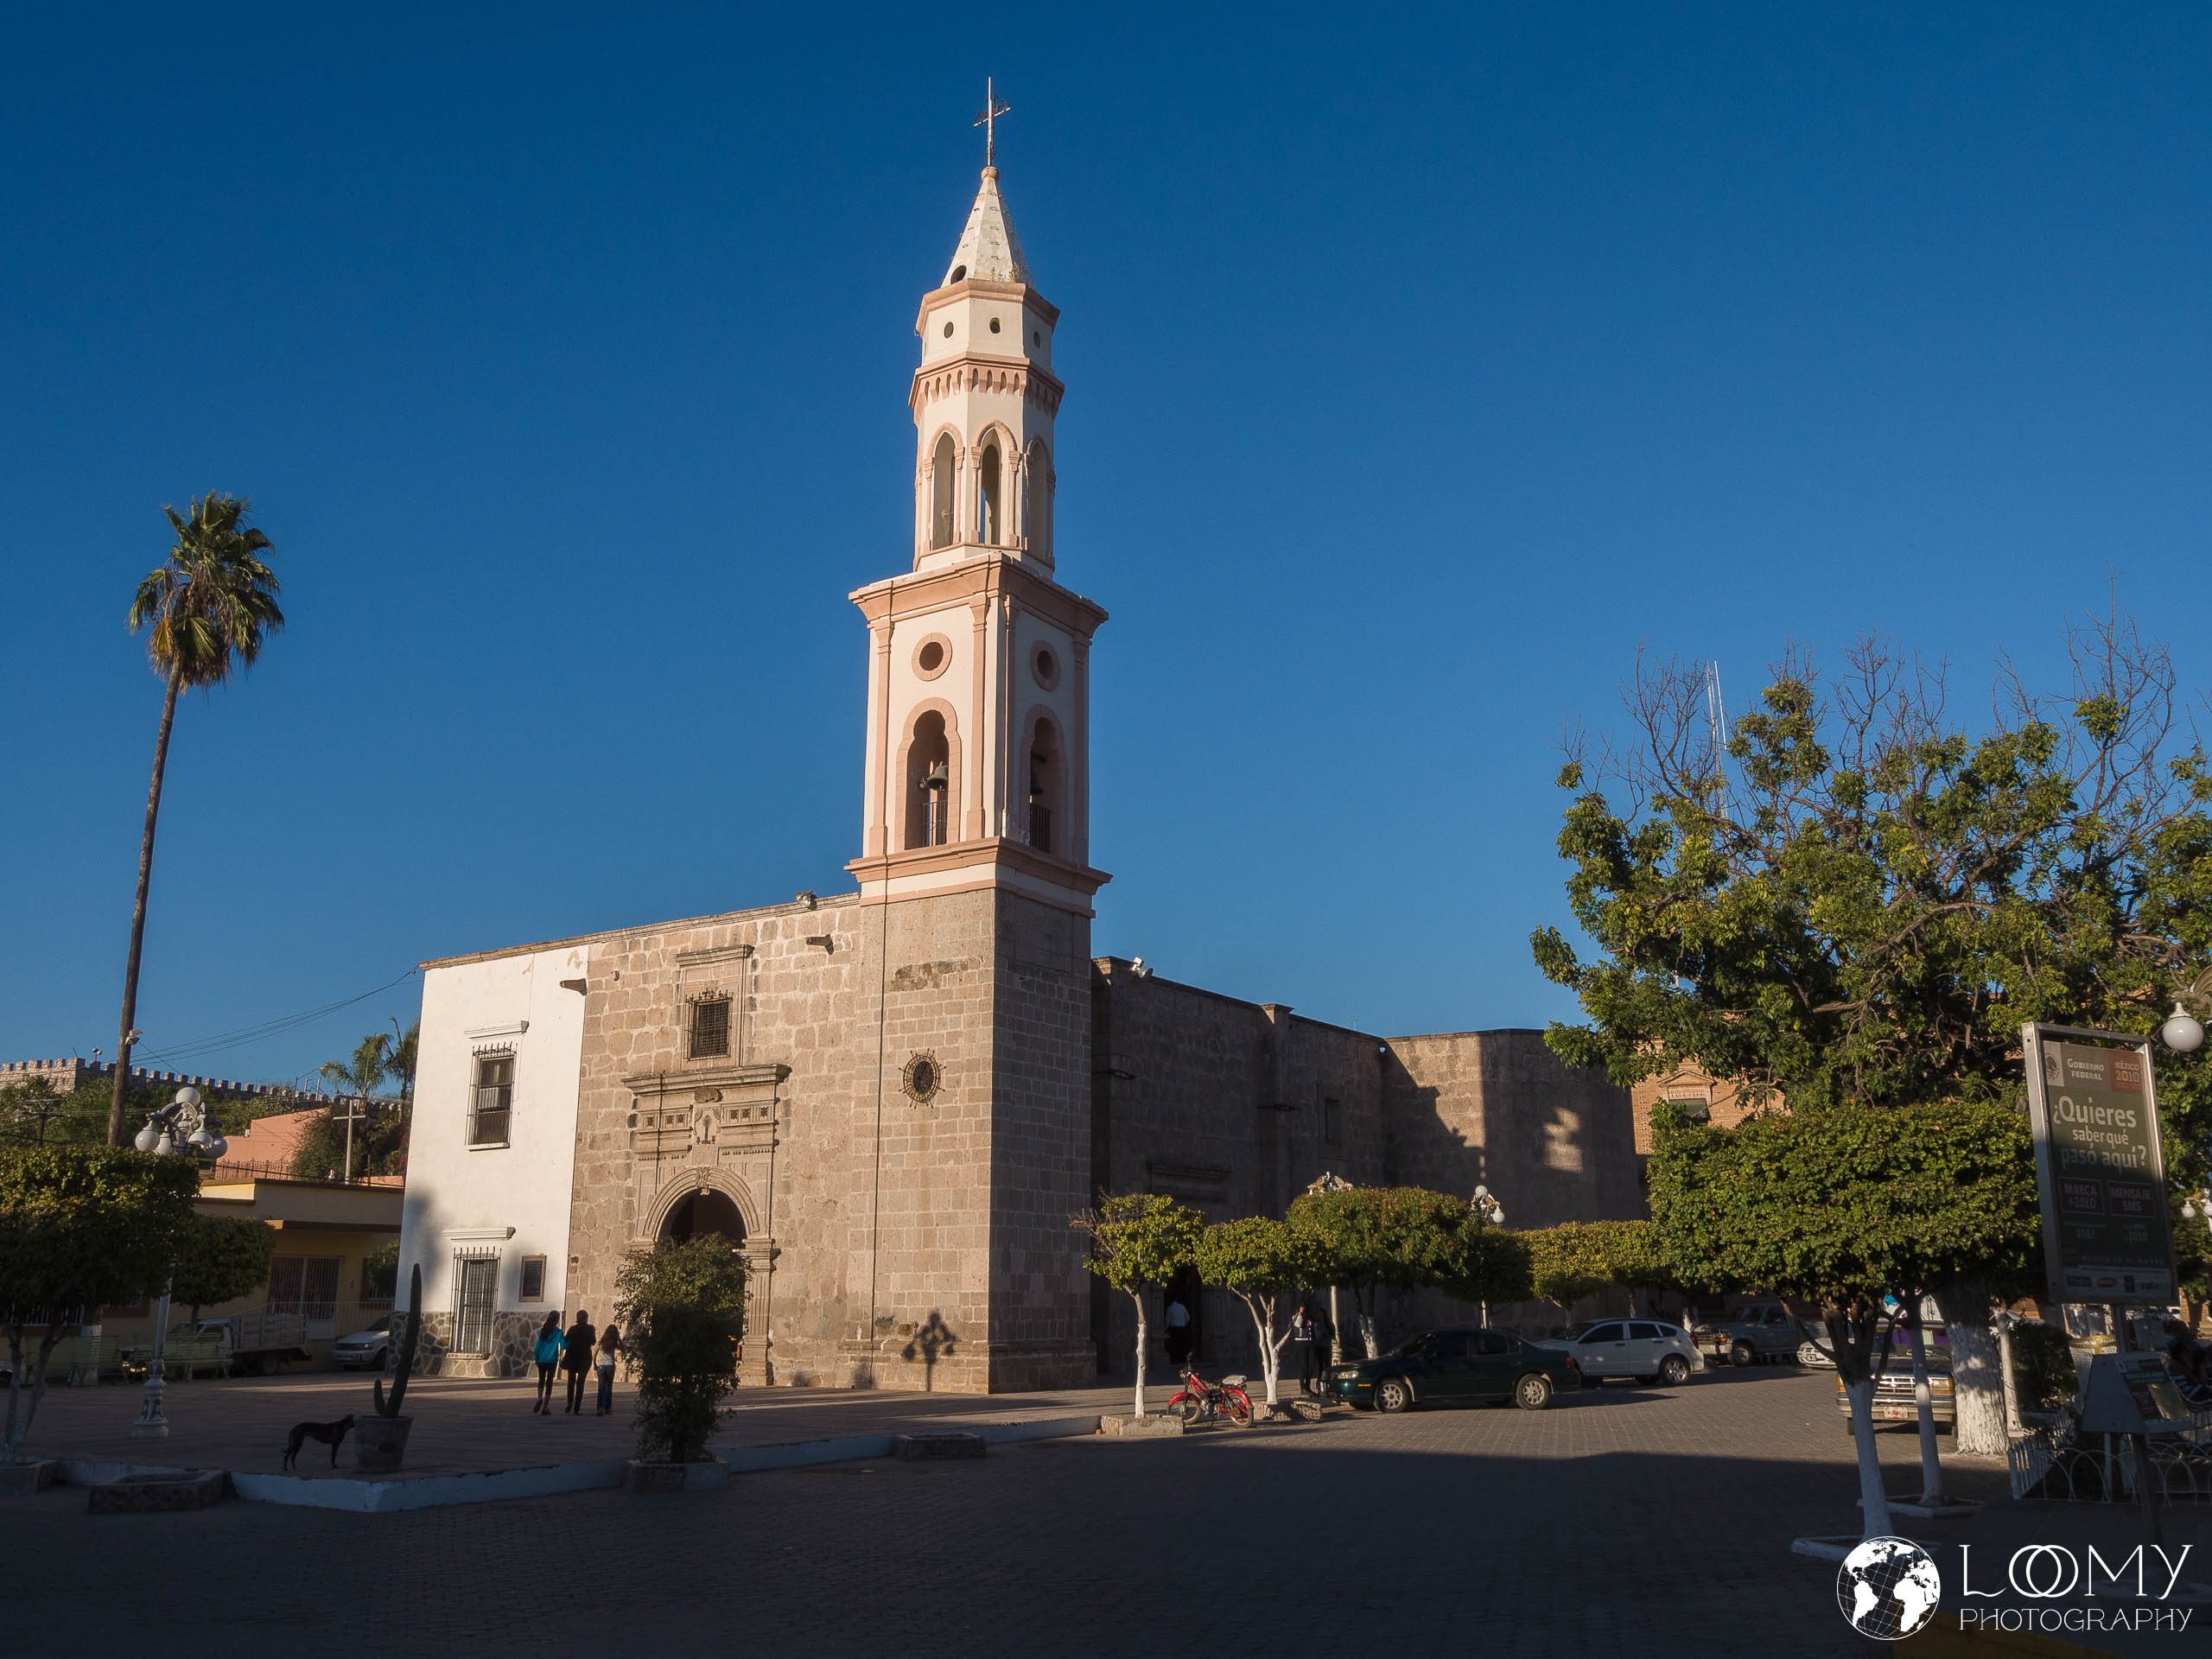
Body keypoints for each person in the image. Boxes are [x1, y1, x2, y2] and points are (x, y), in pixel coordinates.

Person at [562, 1310, 598, 1414]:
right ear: (586, 1318)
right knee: (580, 1383)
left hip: (572, 1357)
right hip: (584, 1358)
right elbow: (593, 1341)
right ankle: (577, 1408)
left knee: (571, 1381)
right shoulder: (590, 1328)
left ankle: (569, 1402)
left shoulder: (572, 1329)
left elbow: (566, 1340)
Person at [531, 1312, 563, 1414]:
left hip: (541, 1359)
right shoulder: (559, 1332)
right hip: (552, 1360)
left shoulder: (543, 1331)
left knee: (541, 1380)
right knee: (549, 1382)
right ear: (557, 1320)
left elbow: (537, 1346)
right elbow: (564, 1345)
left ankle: (539, 1398)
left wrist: (536, 1357)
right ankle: (545, 1407)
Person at [594, 1319, 625, 1416]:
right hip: (611, 1366)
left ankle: (600, 1408)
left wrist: (594, 1364)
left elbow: (594, 1354)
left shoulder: (601, 1341)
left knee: (601, 1388)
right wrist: (619, 1339)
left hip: (602, 1366)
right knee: (609, 1388)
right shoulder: (614, 1342)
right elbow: (623, 1349)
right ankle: (608, 1407)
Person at [1290, 1301, 1319, 1396]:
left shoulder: (1309, 1318)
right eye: (1301, 1307)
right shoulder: (1297, 1317)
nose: (1303, 1309)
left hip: (1310, 1343)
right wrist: (1300, 1315)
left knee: (1311, 1366)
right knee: (1303, 1366)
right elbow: (1298, 1325)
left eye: (1304, 1307)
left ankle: (1308, 1386)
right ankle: (1302, 1388)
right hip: (1301, 1343)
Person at [1163, 1296, 1191, 1375]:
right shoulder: (1182, 1307)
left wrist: (1165, 1328)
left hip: (1174, 1329)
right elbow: (1188, 1317)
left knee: (1174, 1345)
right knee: (1182, 1344)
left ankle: (1175, 1360)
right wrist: (1184, 1324)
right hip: (1182, 1328)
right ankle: (1183, 1360)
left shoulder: (1170, 1308)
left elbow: (1167, 1319)